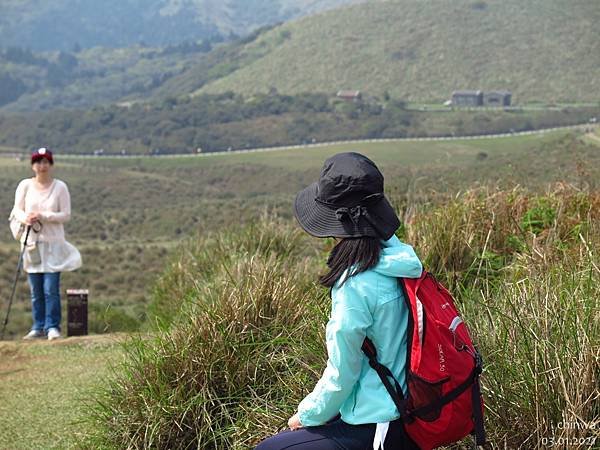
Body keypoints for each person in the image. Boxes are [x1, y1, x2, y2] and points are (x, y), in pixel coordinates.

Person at [256, 152, 423, 450]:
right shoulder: (401, 261)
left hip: (380, 424)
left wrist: (306, 414)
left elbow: (343, 372)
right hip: (413, 413)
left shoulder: (355, 286)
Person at [10, 148, 81, 340]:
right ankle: (38, 326)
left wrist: (43, 216)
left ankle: (52, 326)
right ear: (33, 165)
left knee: (51, 288)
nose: (42, 165)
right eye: (38, 162)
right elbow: (17, 209)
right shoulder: (25, 185)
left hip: (53, 244)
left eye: (45, 162)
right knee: (36, 289)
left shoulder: (60, 187)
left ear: (50, 165)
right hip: (32, 243)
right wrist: (27, 218)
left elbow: (65, 215)